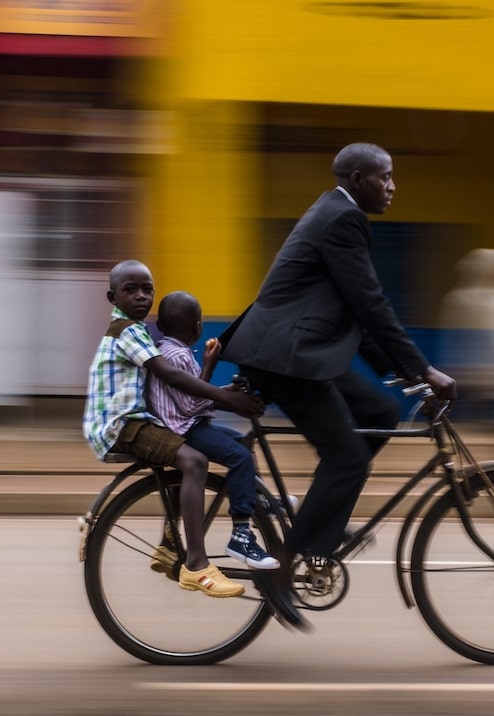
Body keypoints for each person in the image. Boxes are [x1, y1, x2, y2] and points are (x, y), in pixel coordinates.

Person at [222, 142, 456, 628]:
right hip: (286, 359)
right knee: (347, 457)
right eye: (384, 177)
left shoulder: (336, 213)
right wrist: (426, 371)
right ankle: (282, 568)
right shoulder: (343, 220)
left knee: (379, 411)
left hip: (301, 350)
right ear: (355, 178)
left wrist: (407, 377)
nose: (392, 186)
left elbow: (359, 316)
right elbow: (372, 305)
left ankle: (320, 522)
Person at [83, 259, 264, 598]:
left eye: (147, 289)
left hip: (134, 420)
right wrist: (228, 399)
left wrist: (222, 392)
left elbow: (179, 384)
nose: (140, 296)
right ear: (113, 297)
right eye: (130, 289)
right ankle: (196, 565)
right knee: (194, 461)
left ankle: (169, 545)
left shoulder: (138, 331)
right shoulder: (127, 332)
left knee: (185, 458)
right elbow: (172, 376)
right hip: (121, 425)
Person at [146, 290, 280, 571]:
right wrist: (210, 364)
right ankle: (241, 536)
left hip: (188, 423)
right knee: (240, 457)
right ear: (197, 327)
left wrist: (228, 394)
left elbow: (194, 395)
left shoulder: (167, 351)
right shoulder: (179, 356)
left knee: (242, 443)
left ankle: (256, 500)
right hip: (186, 430)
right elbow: (193, 405)